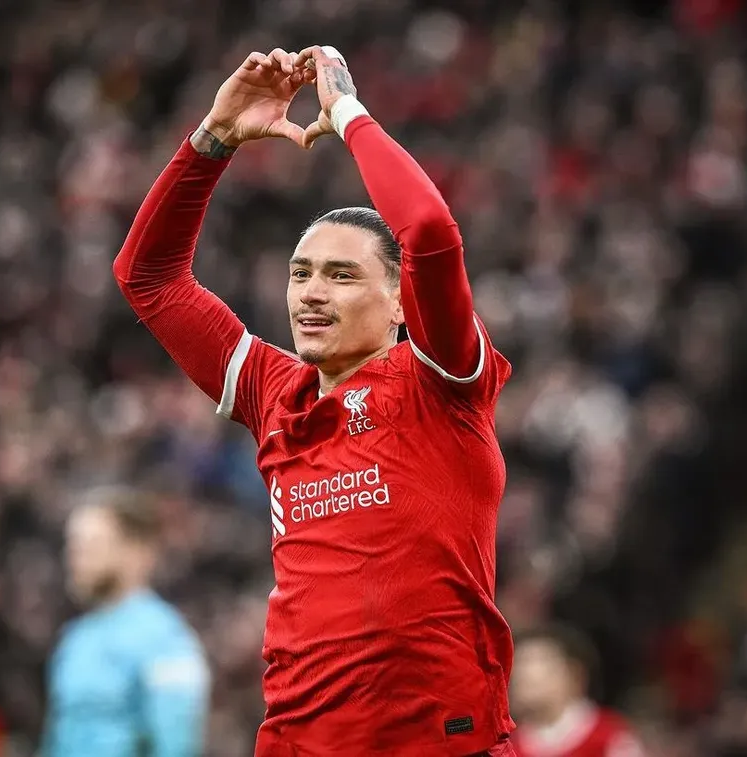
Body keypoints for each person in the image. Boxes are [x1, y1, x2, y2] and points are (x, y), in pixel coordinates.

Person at [113, 43, 515, 756]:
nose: (311, 294)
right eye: (300, 274)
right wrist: (214, 139)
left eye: (340, 275)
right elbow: (148, 278)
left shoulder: (441, 382)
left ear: (399, 300)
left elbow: (426, 231)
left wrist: (349, 116)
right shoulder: (276, 392)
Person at [41, 489, 210, 757]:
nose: (75, 558)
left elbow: (176, 744)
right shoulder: (73, 640)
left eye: (91, 546)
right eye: (72, 546)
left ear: (136, 551)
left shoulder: (165, 639)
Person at [510, 626, 645, 757]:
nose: (525, 673)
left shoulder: (609, 737)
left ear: (575, 674)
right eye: (519, 664)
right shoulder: (507, 746)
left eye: (539, 661)